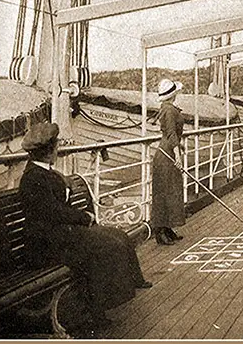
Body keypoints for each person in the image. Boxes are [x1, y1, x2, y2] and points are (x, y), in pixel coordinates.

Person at [19, 122, 152, 328]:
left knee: (115, 237)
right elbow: (53, 212)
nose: (57, 149)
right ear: (49, 151)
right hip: (43, 245)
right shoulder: (33, 178)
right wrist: (84, 217)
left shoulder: (44, 172)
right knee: (99, 251)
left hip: (57, 236)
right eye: (55, 147)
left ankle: (118, 294)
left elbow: (56, 210)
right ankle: (95, 313)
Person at [152, 79, 186, 245]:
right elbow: (171, 133)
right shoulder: (169, 110)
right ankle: (160, 232)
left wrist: (179, 147)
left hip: (167, 152)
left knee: (170, 191)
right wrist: (177, 155)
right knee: (164, 191)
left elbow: (172, 134)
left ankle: (167, 228)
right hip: (166, 155)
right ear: (174, 94)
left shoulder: (167, 109)